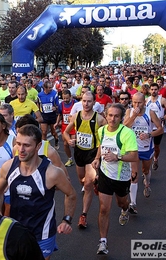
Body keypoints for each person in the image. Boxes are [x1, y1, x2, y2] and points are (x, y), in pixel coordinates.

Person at [0, 124, 77, 260]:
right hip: (15, 231)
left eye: (26, 145)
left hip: (42, 234)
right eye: (18, 144)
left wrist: (66, 220)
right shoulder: (8, 167)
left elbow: (71, 194)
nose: (21, 149)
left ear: (38, 147)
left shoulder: (52, 173)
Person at [91, 103, 138, 255]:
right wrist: (97, 158)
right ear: (106, 115)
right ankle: (103, 242)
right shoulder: (101, 130)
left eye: (116, 116)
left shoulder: (127, 133)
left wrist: (117, 156)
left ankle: (125, 209)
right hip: (105, 174)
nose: (112, 119)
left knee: (121, 202)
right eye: (110, 115)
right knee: (104, 209)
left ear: (121, 117)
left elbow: (134, 156)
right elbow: (101, 145)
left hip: (122, 177)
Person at [63, 91, 106, 229]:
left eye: (89, 101)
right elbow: (65, 131)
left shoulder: (99, 119)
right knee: (82, 179)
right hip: (79, 152)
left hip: (92, 153)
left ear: (94, 103)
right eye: (84, 101)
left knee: (87, 185)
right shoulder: (76, 116)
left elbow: (106, 136)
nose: (86, 104)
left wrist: (100, 155)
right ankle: (94, 182)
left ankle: (83, 216)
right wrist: (69, 140)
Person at [123, 93, 163, 211]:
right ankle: (133, 204)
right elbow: (124, 127)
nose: (137, 105)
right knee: (134, 174)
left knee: (145, 170)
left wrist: (149, 134)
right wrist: (133, 116)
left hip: (146, 148)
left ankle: (147, 183)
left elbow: (160, 129)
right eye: (134, 102)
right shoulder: (129, 112)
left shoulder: (150, 112)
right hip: (133, 149)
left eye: (139, 102)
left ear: (144, 102)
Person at [146, 83, 166, 170]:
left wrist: (162, 118)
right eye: (152, 89)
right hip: (148, 128)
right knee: (147, 148)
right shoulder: (146, 100)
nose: (153, 91)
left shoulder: (162, 100)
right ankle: (146, 168)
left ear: (158, 90)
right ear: (149, 90)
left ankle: (156, 159)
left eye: (155, 89)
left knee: (156, 147)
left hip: (158, 128)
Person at [56, 90, 76, 167]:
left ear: (70, 96)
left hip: (73, 126)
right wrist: (57, 123)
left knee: (74, 144)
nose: (65, 100)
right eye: (64, 98)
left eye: (67, 98)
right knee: (65, 144)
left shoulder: (75, 103)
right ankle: (70, 159)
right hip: (65, 127)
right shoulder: (61, 105)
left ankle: (78, 157)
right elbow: (60, 115)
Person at [38, 81, 60, 149]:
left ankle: (56, 140)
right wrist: (39, 112)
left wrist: (55, 108)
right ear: (45, 88)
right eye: (49, 87)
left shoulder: (54, 94)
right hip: (44, 115)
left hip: (52, 115)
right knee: (44, 132)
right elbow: (38, 104)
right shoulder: (40, 95)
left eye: (51, 87)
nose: (51, 89)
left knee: (53, 132)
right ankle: (45, 146)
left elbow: (58, 105)